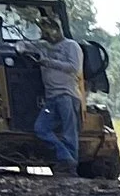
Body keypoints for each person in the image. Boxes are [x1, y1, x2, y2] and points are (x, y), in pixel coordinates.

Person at [31, 20, 82, 176]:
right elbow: (25, 46)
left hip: (67, 95)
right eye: (42, 31)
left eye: (47, 31)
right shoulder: (43, 46)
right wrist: (21, 46)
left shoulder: (71, 46)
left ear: (56, 30)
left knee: (69, 133)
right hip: (51, 98)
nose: (44, 34)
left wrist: (48, 62)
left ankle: (70, 169)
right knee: (41, 128)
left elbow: (74, 67)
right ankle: (66, 158)